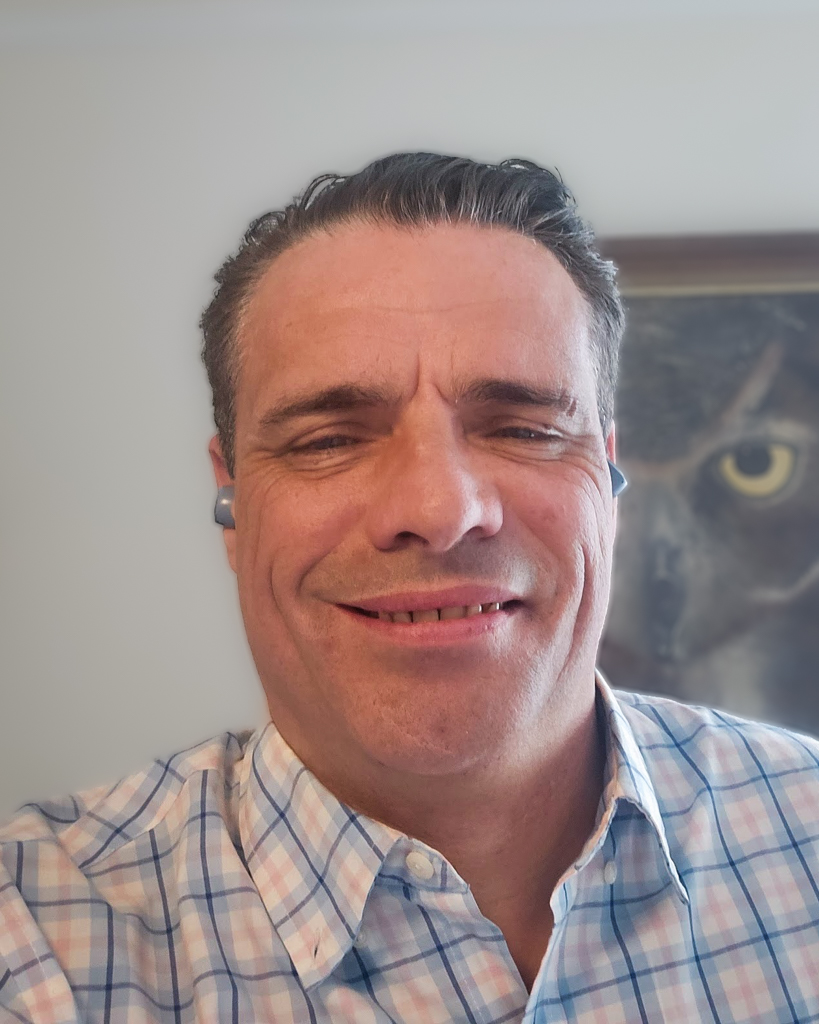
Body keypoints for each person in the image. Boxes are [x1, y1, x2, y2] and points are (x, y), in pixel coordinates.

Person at [1, 153, 818, 1024]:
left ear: (606, 484)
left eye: (523, 428)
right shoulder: (34, 947)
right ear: (233, 502)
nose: (437, 511)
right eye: (327, 440)